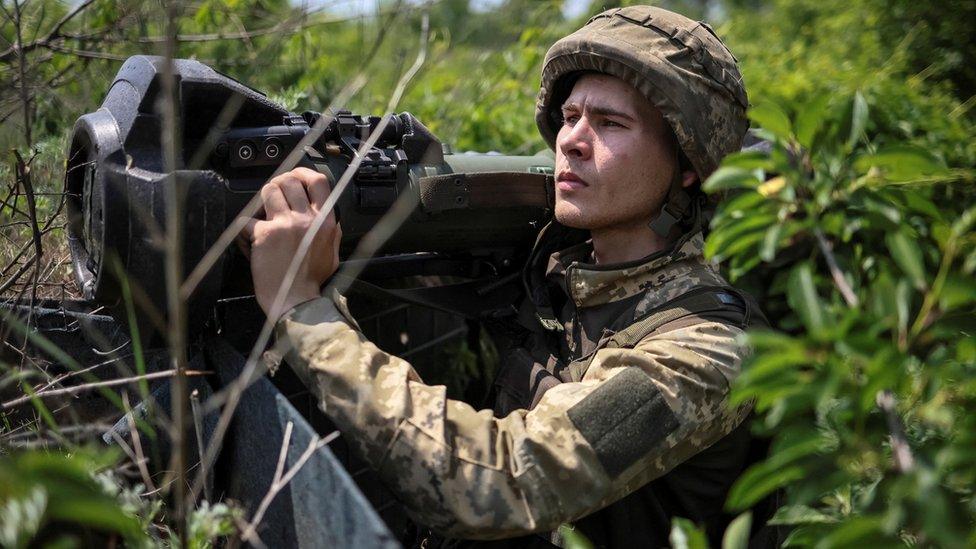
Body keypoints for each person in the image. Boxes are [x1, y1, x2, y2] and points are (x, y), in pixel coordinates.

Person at [241, 5, 771, 547]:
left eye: (610, 123)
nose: (572, 141)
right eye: (569, 118)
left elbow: (497, 482)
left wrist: (304, 310)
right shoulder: (556, 275)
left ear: (686, 164)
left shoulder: (706, 349)